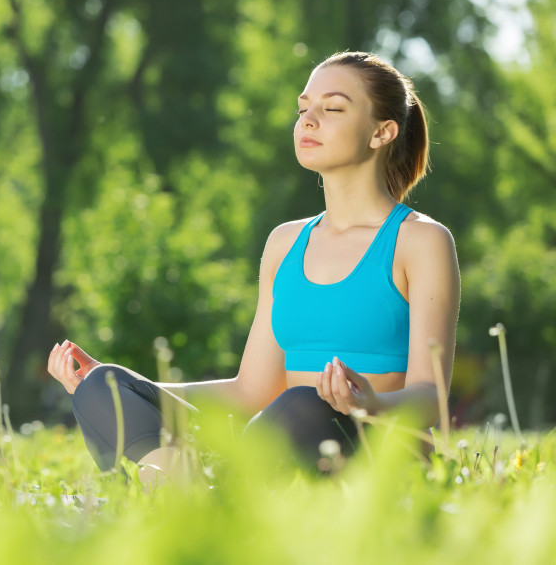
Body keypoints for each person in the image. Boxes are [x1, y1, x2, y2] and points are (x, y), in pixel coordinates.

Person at [47, 51, 460, 476]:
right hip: (277, 445)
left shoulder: (421, 241)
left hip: (378, 453)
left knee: (307, 401)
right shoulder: (285, 243)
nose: (308, 120)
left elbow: (431, 397)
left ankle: (217, 494)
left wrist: (367, 402)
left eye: (332, 108)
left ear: (382, 132)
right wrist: (138, 388)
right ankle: (175, 486)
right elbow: (251, 392)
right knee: (106, 385)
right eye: (303, 109)